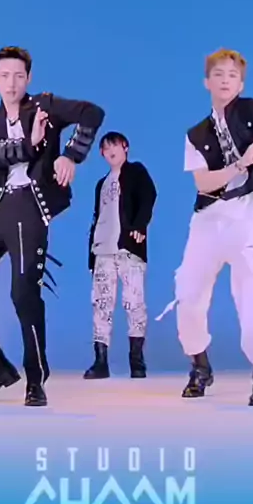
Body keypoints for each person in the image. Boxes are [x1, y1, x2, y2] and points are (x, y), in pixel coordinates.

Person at [0, 46, 105, 407]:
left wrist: (70, 155)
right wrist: (29, 144)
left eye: (19, 75)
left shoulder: (45, 106)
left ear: (29, 78)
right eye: (4, 76)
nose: (11, 83)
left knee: (23, 294)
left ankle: (36, 379)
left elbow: (93, 113)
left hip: (30, 210)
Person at [157, 48, 253, 406]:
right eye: (218, 74)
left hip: (247, 214)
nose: (225, 81)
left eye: (232, 75)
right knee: (188, 292)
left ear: (241, 83)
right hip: (208, 219)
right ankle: (199, 366)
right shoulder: (196, 134)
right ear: (206, 82)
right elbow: (203, 184)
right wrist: (240, 164)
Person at [84, 131, 157, 380]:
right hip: (102, 251)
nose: (111, 151)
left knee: (134, 303)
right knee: (101, 305)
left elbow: (148, 196)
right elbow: (98, 217)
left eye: (114, 145)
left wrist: (139, 226)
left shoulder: (136, 172)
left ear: (125, 147)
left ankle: (137, 361)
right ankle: (100, 361)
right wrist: (91, 254)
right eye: (105, 148)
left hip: (128, 250)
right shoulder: (101, 184)